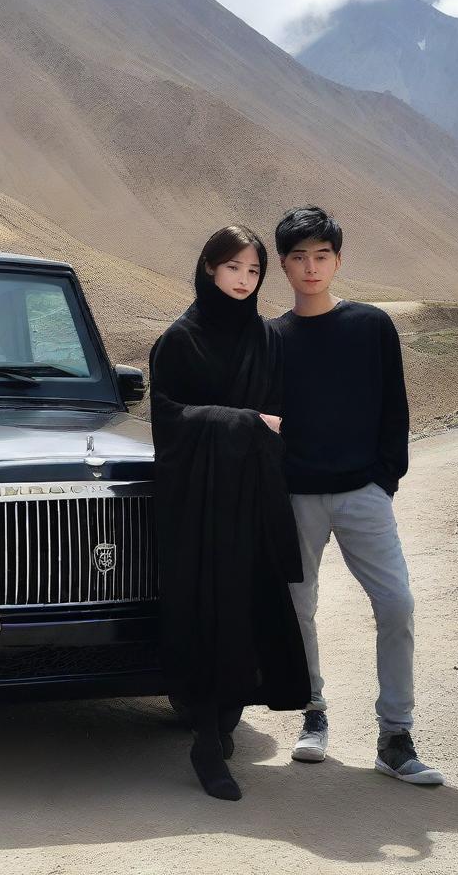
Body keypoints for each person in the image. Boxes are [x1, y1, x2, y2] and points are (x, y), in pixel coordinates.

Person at [270, 204, 445, 786]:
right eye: (298, 258)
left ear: (338, 262)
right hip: (297, 495)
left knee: (397, 603)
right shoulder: (272, 337)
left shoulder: (371, 326)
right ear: (283, 266)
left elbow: (395, 407)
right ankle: (312, 713)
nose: (310, 267)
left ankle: (395, 736)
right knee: (297, 608)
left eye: (321, 256)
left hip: (363, 492)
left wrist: (384, 476)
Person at [148, 225, 311, 801]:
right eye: (233, 269)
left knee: (250, 608)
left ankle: (224, 725)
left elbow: (283, 413)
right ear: (209, 269)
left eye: (253, 272)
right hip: (199, 503)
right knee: (208, 611)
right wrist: (246, 422)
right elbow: (168, 420)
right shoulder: (180, 340)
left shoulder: (266, 339)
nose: (244, 281)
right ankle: (205, 742)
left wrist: (262, 428)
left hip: (255, 495)